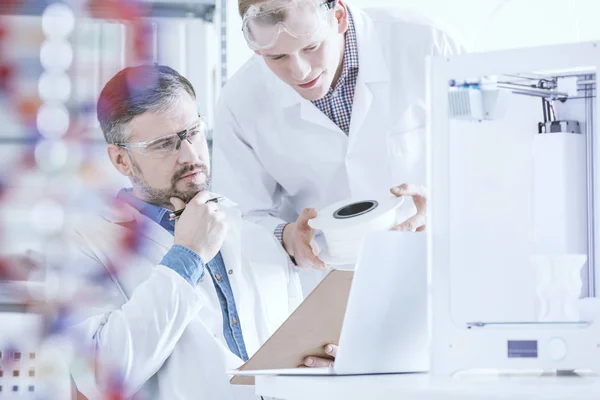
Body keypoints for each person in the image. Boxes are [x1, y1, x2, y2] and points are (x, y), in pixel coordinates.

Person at [68, 65, 334, 400]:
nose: (191, 155)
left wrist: (320, 369)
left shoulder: (250, 231)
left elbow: (291, 358)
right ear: (121, 160)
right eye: (164, 144)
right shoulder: (85, 246)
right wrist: (187, 256)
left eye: (192, 132)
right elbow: (95, 376)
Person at [212, 0, 462, 292]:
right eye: (276, 57)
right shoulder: (240, 101)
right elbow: (241, 217)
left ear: (339, 16)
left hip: (443, 267)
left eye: (311, 47)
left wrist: (444, 207)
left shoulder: (430, 44)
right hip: (331, 288)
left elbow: (498, 158)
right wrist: (287, 236)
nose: (300, 71)